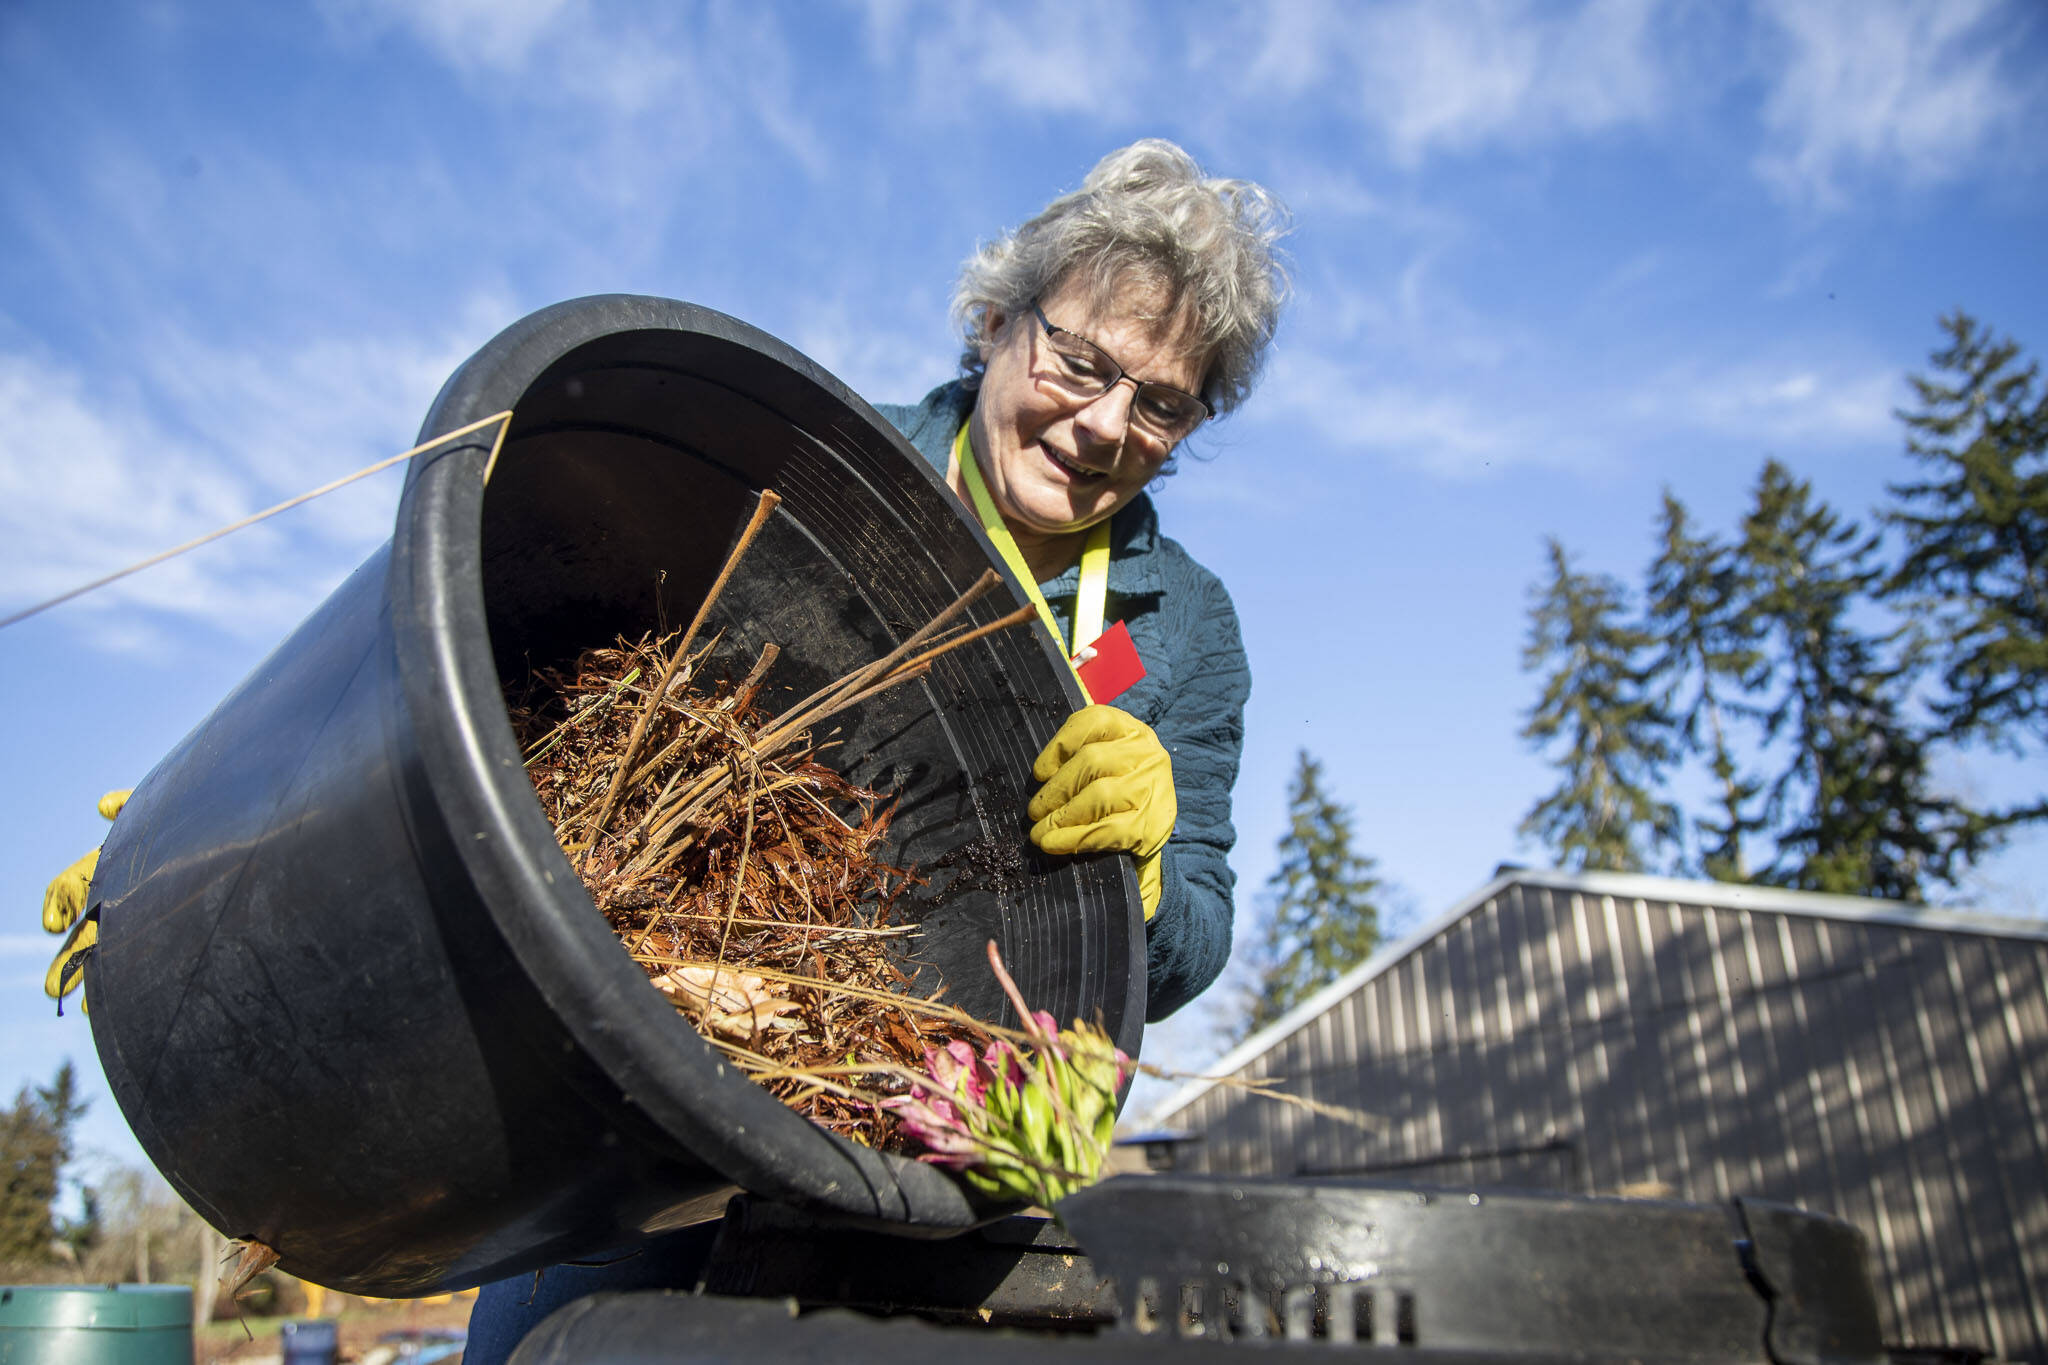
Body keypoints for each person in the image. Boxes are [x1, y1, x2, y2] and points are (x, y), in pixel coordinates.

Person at [874, 136, 1288, 1023]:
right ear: (994, 322)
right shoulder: (844, 460)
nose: (1106, 424)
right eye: (1079, 361)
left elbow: (1198, 941)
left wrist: (1146, 874)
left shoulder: (1186, 621)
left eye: (1162, 403)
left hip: (950, 1066)